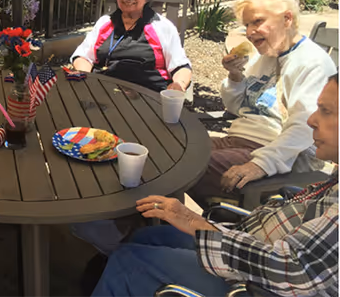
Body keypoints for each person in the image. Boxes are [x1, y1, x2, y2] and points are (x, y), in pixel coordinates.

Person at [92, 73, 339, 297]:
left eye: (326, 111)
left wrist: (204, 228)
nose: (312, 120)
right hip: (250, 243)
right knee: (146, 236)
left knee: (127, 262)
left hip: (258, 284)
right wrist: (204, 226)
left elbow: (293, 270)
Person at [189, 0, 336, 204]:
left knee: (185, 165)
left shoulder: (311, 63)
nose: (249, 32)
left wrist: (260, 165)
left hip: (276, 153)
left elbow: (303, 128)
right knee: (175, 149)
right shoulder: (265, 56)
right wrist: (235, 75)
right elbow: (235, 108)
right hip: (237, 140)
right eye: (247, 25)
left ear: (287, 19)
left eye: (257, 22)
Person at [71, 0, 191, 93]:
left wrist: (179, 84)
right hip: (102, 94)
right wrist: (86, 80)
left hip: (146, 99)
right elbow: (83, 57)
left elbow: (181, 66)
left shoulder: (162, 27)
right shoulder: (105, 23)